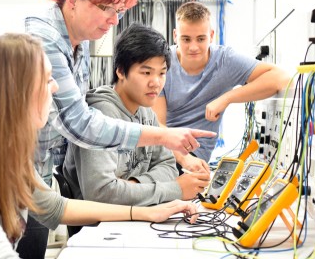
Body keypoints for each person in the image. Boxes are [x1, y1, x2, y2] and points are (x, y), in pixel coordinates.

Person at [0, 33, 199, 259]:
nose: (56, 88)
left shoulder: (4, 154)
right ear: (14, 91)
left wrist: (145, 212)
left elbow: (57, 207)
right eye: (47, 80)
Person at [22, 0, 214, 257]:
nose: (114, 20)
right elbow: (79, 124)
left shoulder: (80, 41)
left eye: (119, 12)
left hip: (40, 180)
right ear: (72, 1)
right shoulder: (44, 38)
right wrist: (166, 149)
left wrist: (140, 182)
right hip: (18, 177)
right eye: (106, 9)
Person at [63, 23, 210, 207]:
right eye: (146, 72)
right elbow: (100, 194)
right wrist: (174, 189)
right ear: (120, 71)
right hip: (100, 227)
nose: (156, 83)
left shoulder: (146, 111)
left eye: (162, 73)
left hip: (138, 215)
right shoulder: (100, 114)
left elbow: (168, 166)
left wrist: (131, 186)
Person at [153, 1, 290, 165]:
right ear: (175, 36)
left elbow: (281, 77)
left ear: (211, 35)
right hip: (166, 149)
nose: (193, 47)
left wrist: (227, 98)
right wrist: (183, 158)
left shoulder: (225, 61)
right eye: (186, 39)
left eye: (201, 39)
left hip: (196, 154)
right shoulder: (162, 64)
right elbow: (158, 126)